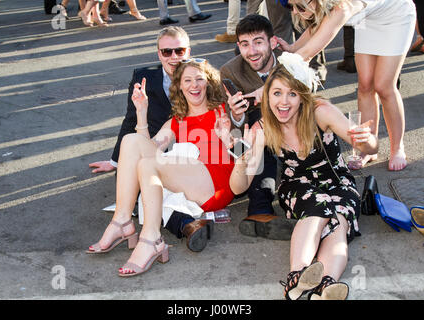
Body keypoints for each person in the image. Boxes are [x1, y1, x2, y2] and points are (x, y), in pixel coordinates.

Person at [227, 53, 378, 300]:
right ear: (267, 96)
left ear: (302, 96)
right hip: (297, 185)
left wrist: (367, 140)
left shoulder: (321, 112)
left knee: (338, 217)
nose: (283, 102)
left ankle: (326, 287)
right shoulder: (263, 127)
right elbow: (238, 187)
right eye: (276, 93)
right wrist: (241, 159)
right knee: (318, 207)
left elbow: (367, 147)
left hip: (337, 181)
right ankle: (297, 277)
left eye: (292, 94)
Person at [88, 59, 234, 277]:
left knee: (149, 164)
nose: (194, 85)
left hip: (216, 183)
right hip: (190, 179)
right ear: (179, 87)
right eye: (187, 80)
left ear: (208, 83)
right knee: (130, 141)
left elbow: (240, 134)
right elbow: (145, 149)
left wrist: (232, 128)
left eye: (199, 79)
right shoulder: (176, 121)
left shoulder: (222, 110)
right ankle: (122, 221)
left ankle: (151, 238)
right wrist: (141, 112)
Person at [89, 27, 213, 252]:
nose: (174, 57)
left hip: (193, 155)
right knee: (136, 177)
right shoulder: (143, 78)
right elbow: (130, 120)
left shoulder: (203, 76)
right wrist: (116, 160)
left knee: (144, 190)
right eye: (167, 52)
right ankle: (184, 225)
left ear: (189, 51)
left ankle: (164, 227)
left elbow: (225, 111)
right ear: (159, 54)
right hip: (157, 144)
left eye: (179, 50)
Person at [278, 0, 416, 171]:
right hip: (367, 20)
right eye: (290, 7)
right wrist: (292, 48)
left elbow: (306, 54)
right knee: (365, 85)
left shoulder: (342, 7)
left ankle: (397, 148)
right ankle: (369, 146)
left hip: (396, 15)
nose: (295, 13)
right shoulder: (326, 4)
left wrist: (279, 73)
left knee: (384, 86)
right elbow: (320, 25)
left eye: (299, 6)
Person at [220, 14, 297, 240]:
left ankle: (272, 208)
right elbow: (237, 127)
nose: (252, 51)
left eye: (258, 42)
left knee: (264, 129)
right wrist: (236, 114)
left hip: (293, 124)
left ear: (273, 43)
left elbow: (308, 102)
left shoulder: (291, 62)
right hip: (257, 133)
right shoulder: (230, 71)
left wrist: (271, 94)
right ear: (238, 47)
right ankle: (260, 209)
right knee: (255, 136)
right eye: (245, 44)